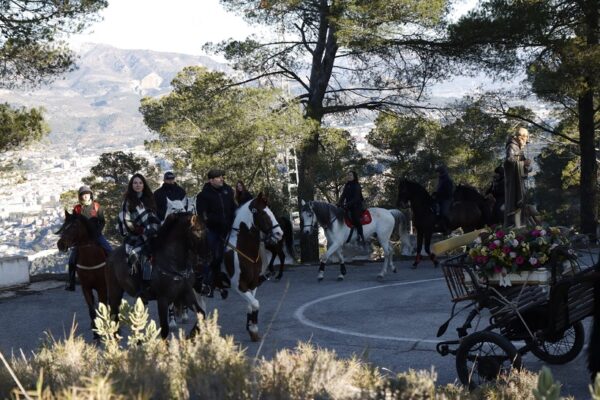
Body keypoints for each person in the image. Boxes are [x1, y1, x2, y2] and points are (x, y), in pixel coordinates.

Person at [118, 173, 160, 298]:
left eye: (140, 183)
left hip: (153, 232)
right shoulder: (128, 200)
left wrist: (154, 228)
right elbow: (125, 220)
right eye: (135, 183)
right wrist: (139, 230)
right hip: (136, 236)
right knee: (137, 255)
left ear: (144, 185)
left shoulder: (149, 198)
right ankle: (142, 286)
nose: (138, 185)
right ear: (131, 185)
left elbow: (154, 216)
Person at [195, 169, 236, 296]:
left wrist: (232, 219)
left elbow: (233, 207)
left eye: (222, 177)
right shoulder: (203, 195)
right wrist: (217, 221)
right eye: (218, 178)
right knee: (212, 256)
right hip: (213, 230)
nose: (222, 179)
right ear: (211, 180)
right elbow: (203, 215)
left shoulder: (227, 190)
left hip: (229, 229)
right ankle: (206, 283)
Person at [65, 185, 113, 291]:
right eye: (83, 194)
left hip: (96, 235)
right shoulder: (77, 209)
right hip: (82, 239)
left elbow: (102, 221)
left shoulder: (96, 206)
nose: (85, 196)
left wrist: (97, 232)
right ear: (80, 196)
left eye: (87, 194)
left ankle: (115, 277)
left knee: (110, 252)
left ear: (90, 195)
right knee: (72, 259)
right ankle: (71, 283)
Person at [504, 127, 532, 228]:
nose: (526, 141)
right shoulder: (511, 146)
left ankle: (521, 224)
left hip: (519, 182)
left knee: (521, 204)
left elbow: (525, 164)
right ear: (521, 137)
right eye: (525, 138)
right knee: (514, 203)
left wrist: (527, 166)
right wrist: (523, 163)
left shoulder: (519, 148)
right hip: (513, 183)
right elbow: (509, 161)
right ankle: (515, 225)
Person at [338, 170, 366, 244]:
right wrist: (339, 203)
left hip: (357, 205)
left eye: (350, 175)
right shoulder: (347, 185)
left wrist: (347, 205)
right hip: (349, 205)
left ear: (354, 177)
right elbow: (343, 195)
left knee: (355, 218)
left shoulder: (357, 185)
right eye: (348, 175)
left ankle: (360, 236)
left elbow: (356, 198)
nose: (349, 176)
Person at [433, 165, 454, 231]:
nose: (437, 174)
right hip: (440, 198)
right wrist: (435, 194)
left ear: (441, 172)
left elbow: (448, 191)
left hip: (447, 199)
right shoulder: (440, 179)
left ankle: (447, 228)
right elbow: (439, 190)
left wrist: (439, 194)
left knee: (444, 212)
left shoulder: (447, 180)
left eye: (438, 172)